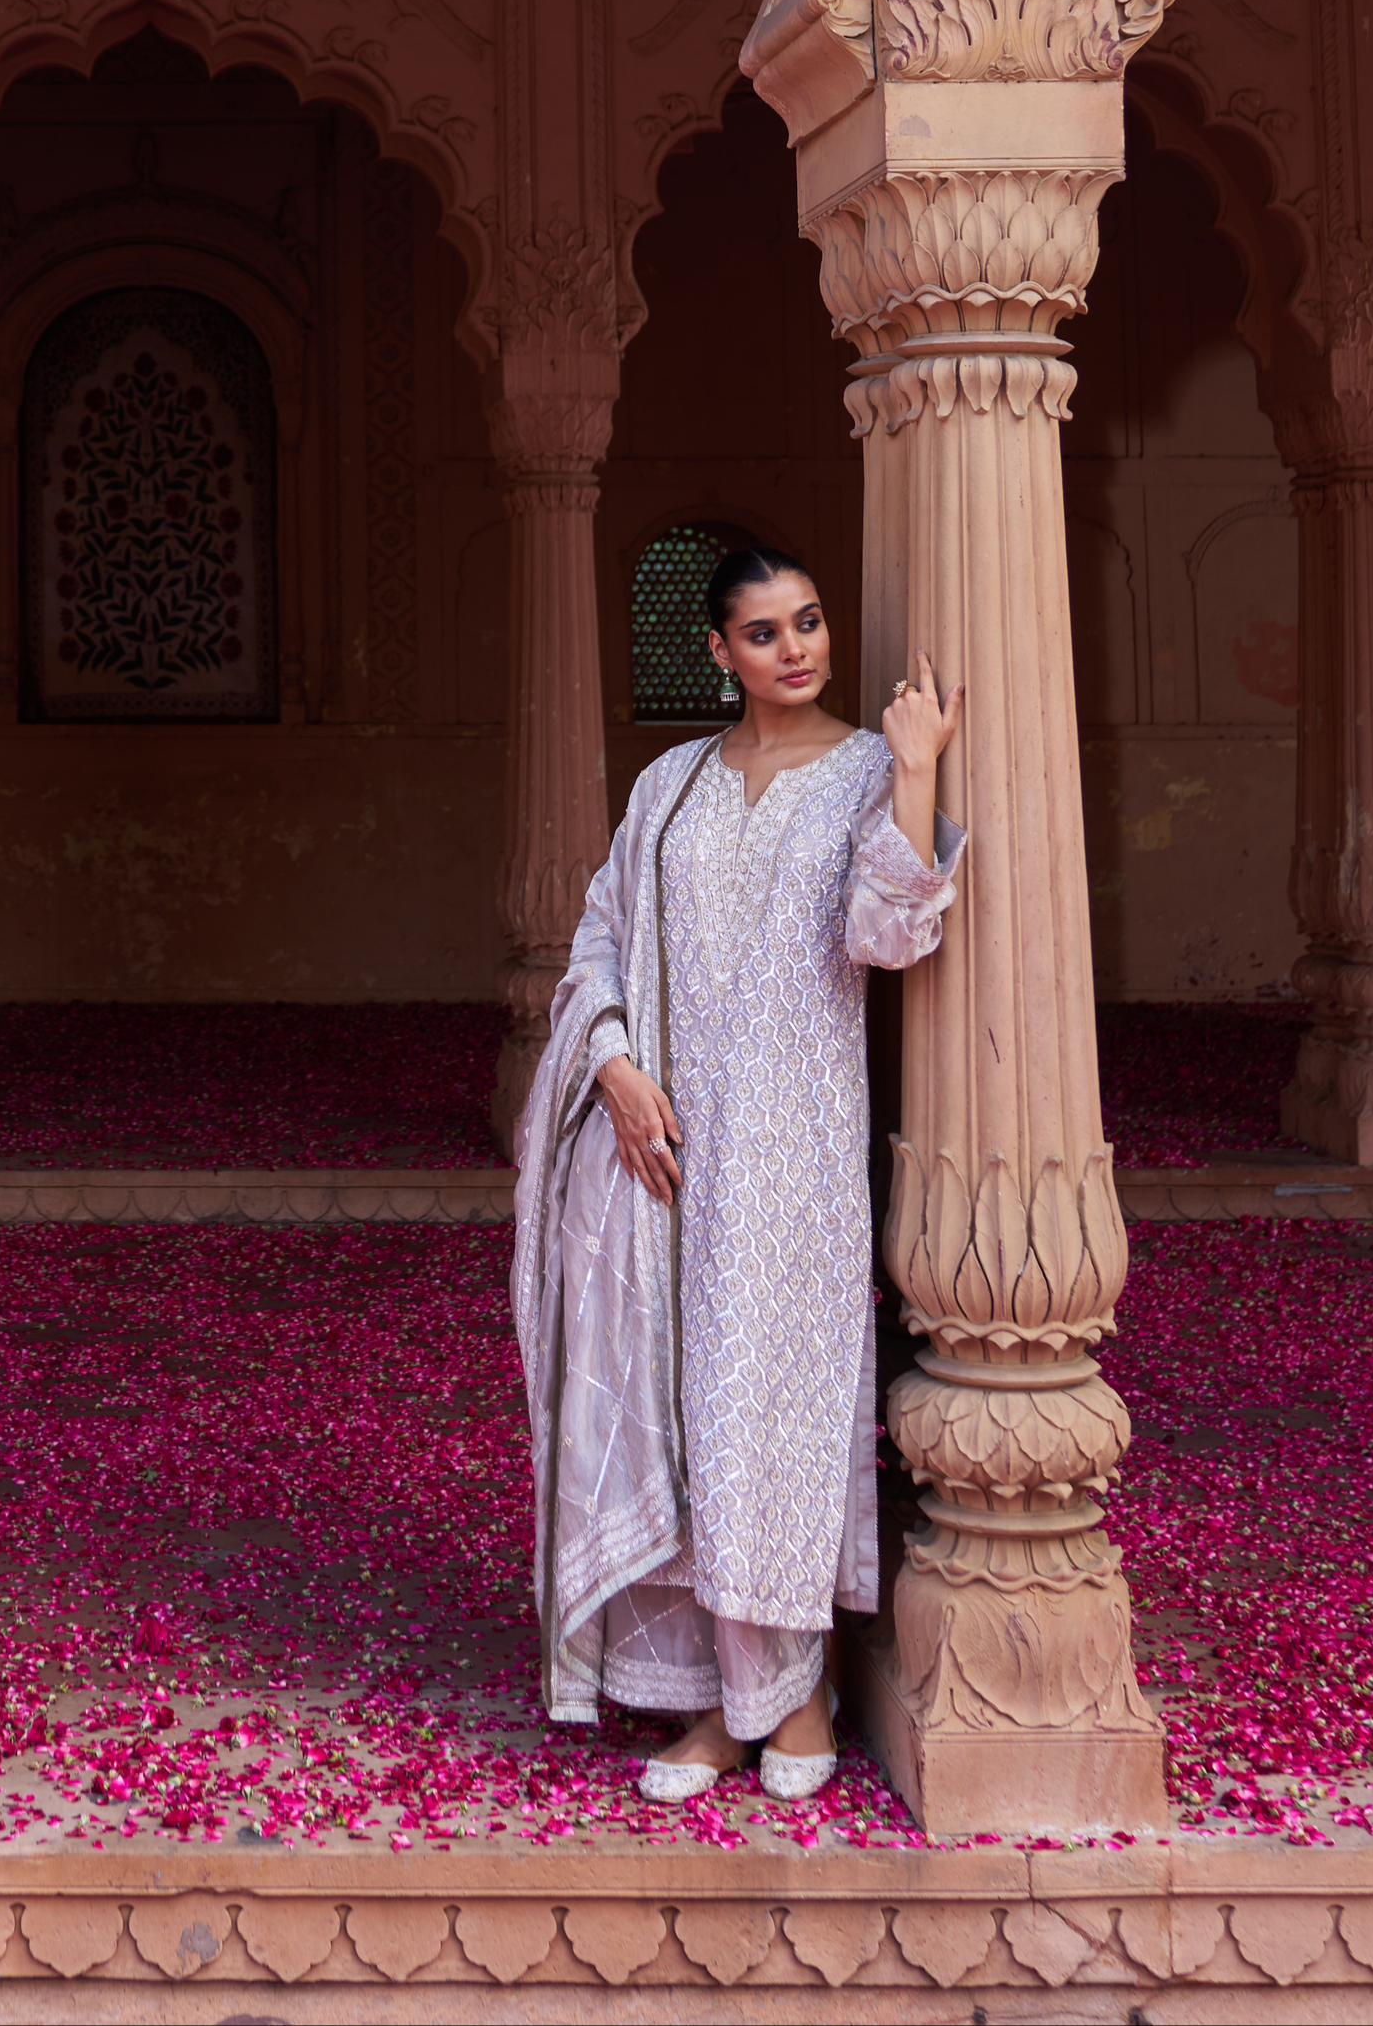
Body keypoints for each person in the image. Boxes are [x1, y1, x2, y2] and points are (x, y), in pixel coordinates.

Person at [511, 541, 962, 1803]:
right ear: (716, 653)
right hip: (660, 1153)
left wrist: (918, 765)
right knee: (679, 1415)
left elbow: (889, 931)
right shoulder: (667, 787)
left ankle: (799, 1692)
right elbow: (598, 937)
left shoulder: (866, 772)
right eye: (761, 632)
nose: (794, 648)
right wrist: (607, 1064)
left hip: (792, 1151)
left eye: (807, 621)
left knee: (768, 1410)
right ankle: (713, 1706)